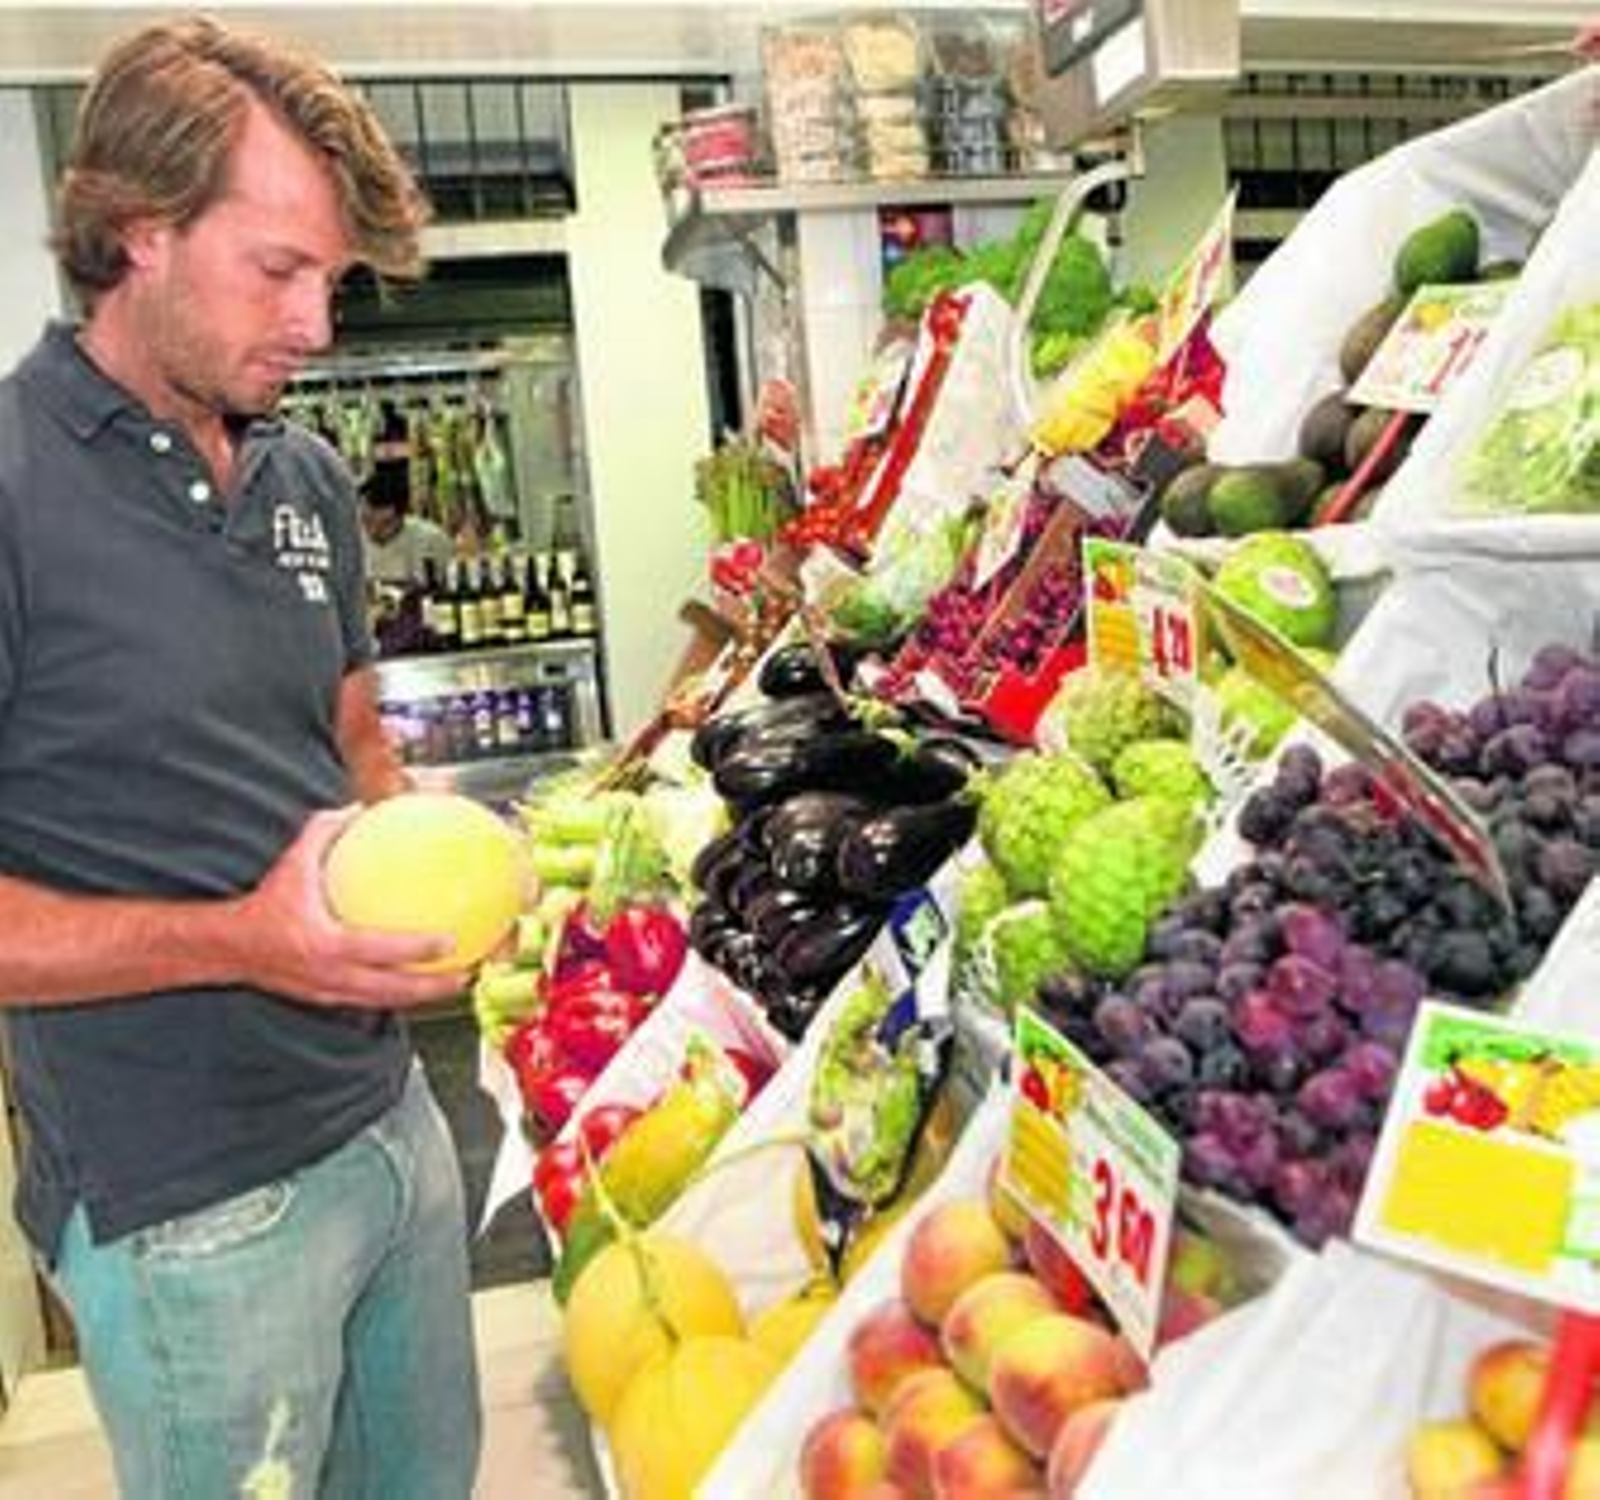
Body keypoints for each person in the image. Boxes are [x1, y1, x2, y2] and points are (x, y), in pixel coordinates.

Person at [0, 16, 483, 1498]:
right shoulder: (12, 487)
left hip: (392, 1129)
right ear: (139, 229)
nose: (316, 325)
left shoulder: (305, 478)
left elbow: (350, 742)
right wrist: (243, 941)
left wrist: (428, 864)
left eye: (330, 281)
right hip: (188, 1207)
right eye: (279, 270)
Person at [361, 456, 455, 587]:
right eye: (367, 521)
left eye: (385, 524)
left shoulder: (432, 540)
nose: (374, 531)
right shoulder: (349, 539)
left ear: (403, 516)